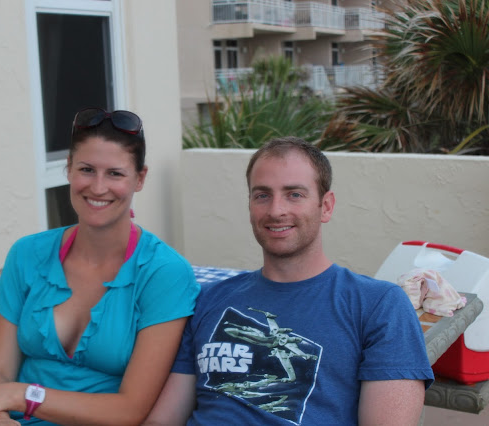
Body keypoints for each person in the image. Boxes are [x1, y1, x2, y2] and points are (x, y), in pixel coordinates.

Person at [144, 137, 434, 425]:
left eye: (294, 194)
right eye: (262, 195)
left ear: (326, 206)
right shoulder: (208, 299)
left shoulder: (378, 305)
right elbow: (163, 419)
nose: (276, 210)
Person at [0, 107, 200, 425]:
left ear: (140, 178)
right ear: (68, 169)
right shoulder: (27, 254)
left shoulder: (164, 273)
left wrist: (20, 395)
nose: (98, 187)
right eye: (87, 170)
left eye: (115, 174)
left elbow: (129, 410)